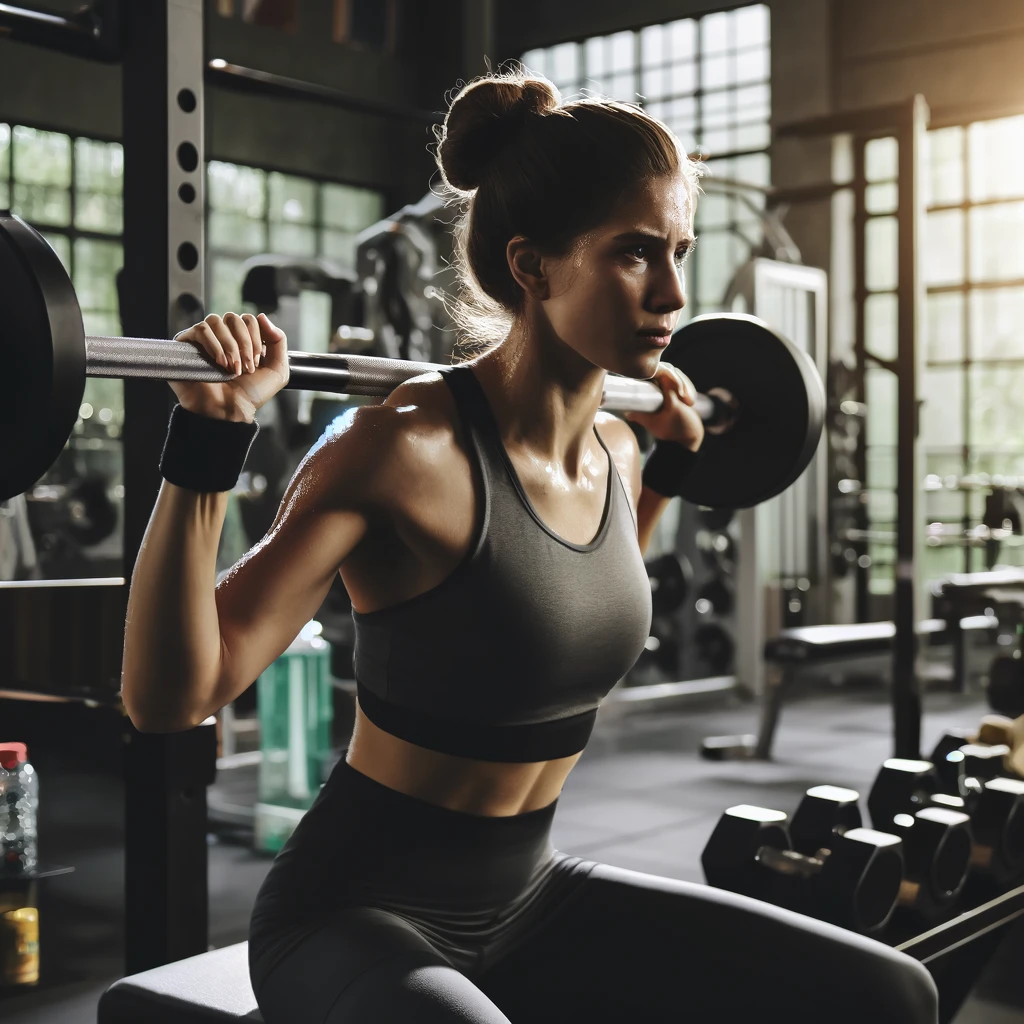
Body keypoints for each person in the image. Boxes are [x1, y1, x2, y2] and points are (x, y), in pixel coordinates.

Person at [120, 69, 938, 1023]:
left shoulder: (621, 449)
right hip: (355, 913)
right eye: (636, 255)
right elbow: (171, 696)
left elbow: (573, 591)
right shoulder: (402, 449)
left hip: (529, 894)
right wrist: (209, 443)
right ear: (532, 266)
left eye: (680, 251)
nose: (674, 293)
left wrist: (669, 469)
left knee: (887, 994)